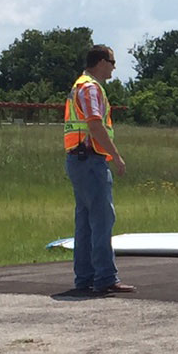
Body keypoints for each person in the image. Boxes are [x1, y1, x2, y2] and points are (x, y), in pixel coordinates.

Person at [63, 45, 134, 294]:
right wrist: (116, 156)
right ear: (102, 62)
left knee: (85, 222)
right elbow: (95, 124)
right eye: (112, 62)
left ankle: (85, 278)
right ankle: (105, 277)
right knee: (102, 219)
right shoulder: (91, 88)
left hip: (78, 159)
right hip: (90, 160)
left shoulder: (79, 86)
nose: (114, 67)